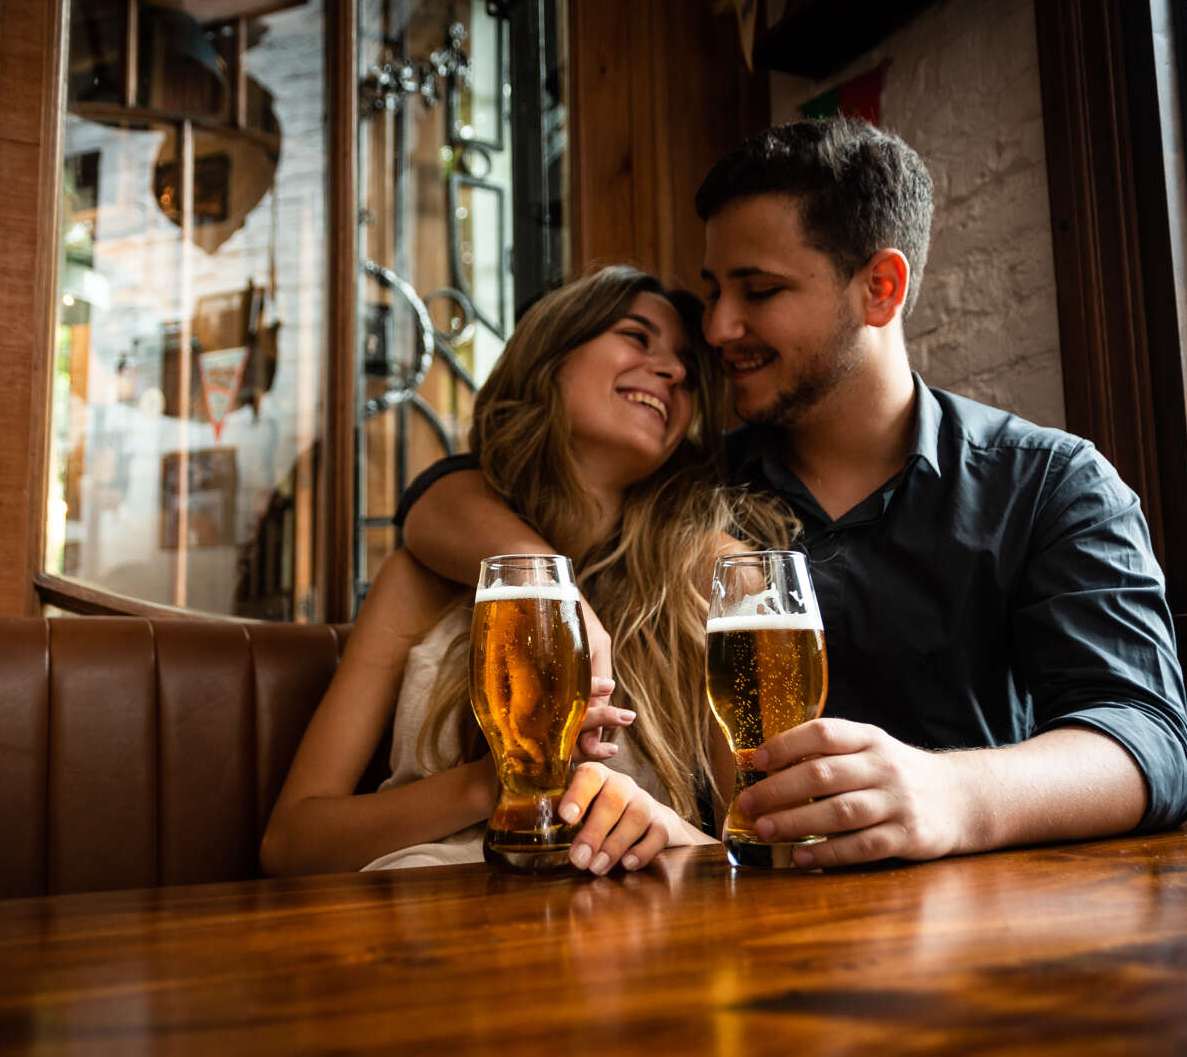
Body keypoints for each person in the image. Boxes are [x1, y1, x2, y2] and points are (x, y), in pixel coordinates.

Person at [399, 117, 1187, 870]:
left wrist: (951, 795)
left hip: (977, 919)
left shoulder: (1047, 483)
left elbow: (1149, 740)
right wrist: (546, 575)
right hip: (738, 915)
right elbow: (445, 492)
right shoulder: (689, 486)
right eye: (715, 289)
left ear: (879, 289)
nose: (716, 327)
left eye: (759, 290)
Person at [260, 266, 796, 876]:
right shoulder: (423, 578)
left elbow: (767, 844)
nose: (672, 371)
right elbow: (291, 844)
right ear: (551, 357)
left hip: (631, 936)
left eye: (688, 371)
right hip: (425, 927)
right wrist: (494, 785)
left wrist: (673, 831)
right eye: (636, 336)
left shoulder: (719, 579)